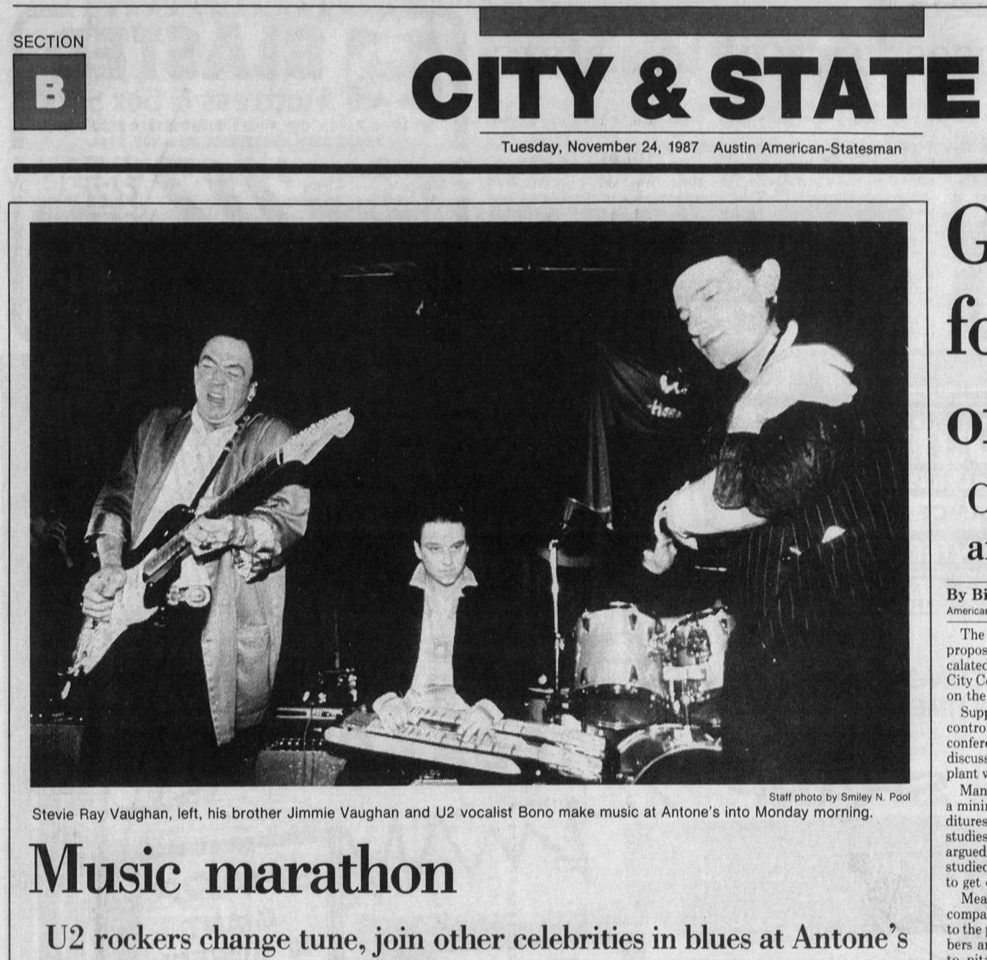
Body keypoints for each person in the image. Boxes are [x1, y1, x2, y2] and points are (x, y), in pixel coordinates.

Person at [644, 251, 907, 784]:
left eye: (709, 295)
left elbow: (752, 496)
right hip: (766, 663)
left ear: (767, 280)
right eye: (683, 315)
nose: (694, 323)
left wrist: (681, 507)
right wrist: (675, 529)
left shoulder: (816, 367)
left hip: (835, 669)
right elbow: (742, 523)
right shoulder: (748, 392)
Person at [79, 333, 310, 785]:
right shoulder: (156, 427)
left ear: (253, 388)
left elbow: (286, 520)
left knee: (187, 789)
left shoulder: (270, 437)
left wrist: (235, 530)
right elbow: (115, 502)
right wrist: (109, 564)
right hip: (128, 630)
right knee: (103, 781)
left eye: (234, 371)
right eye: (208, 366)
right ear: (193, 373)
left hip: (202, 644)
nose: (217, 381)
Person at [359, 499, 512, 746]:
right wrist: (387, 699)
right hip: (405, 722)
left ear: (468, 547)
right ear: (417, 550)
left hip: (468, 726)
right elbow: (367, 659)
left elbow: (514, 670)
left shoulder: (492, 601)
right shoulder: (391, 597)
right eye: (435, 548)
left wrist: (487, 709)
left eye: (456, 547)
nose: (447, 560)